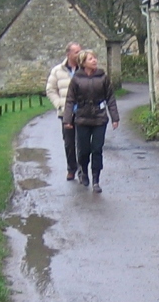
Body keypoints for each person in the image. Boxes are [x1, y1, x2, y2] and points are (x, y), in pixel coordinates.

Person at [62, 49, 119, 193]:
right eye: (90, 59)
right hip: (82, 119)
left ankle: (96, 179)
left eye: (95, 58)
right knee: (83, 150)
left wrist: (115, 118)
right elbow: (70, 100)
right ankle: (84, 171)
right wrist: (67, 119)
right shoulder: (76, 79)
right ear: (83, 63)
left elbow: (110, 98)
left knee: (97, 149)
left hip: (99, 118)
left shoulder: (103, 77)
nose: (94, 60)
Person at [46, 42, 81, 181]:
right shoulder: (57, 70)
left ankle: (82, 170)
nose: (79, 54)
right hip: (66, 113)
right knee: (69, 143)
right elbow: (50, 90)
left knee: (83, 143)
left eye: (80, 51)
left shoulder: (85, 69)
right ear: (68, 54)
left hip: (83, 112)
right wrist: (59, 104)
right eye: (76, 52)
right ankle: (71, 169)